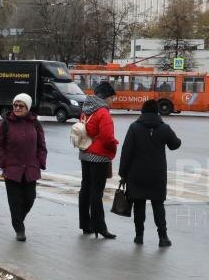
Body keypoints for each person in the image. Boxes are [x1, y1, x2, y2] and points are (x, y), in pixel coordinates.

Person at [118, 99, 181, 247]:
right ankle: (163, 237)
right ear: (157, 112)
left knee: (139, 204)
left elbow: (126, 152)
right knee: (158, 204)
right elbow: (175, 144)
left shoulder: (134, 127)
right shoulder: (164, 128)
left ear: (142, 111)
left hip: (136, 174)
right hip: (157, 175)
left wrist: (123, 174)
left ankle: (139, 236)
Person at [0, 92, 47, 242]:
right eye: (15, 105)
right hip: (12, 170)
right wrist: (3, 162)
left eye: (21, 105)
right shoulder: (6, 123)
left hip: (30, 169)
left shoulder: (35, 123)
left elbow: (41, 146)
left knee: (30, 198)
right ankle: (19, 229)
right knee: (15, 201)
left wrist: (40, 162)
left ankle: (18, 220)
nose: (17, 108)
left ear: (27, 107)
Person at [78, 80, 118, 239]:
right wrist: (114, 145)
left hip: (85, 153)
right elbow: (108, 137)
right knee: (96, 192)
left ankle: (85, 225)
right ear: (106, 97)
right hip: (99, 157)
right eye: (112, 98)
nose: (112, 101)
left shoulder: (86, 109)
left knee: (85, 189)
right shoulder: (103, 112)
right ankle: (99, 226)